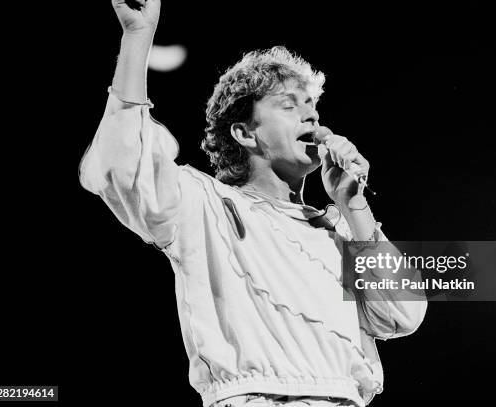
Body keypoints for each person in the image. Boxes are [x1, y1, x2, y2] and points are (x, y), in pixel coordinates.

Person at [79, 1, 427, 406]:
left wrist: (354, 206)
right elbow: (122, 167)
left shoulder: (340, 232)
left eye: (312, 106)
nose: (311, 117)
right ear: (245, 134)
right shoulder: (205, 205)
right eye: (289, 105)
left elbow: (403, 316)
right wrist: (138, 38)